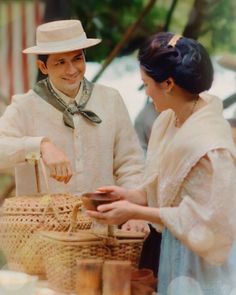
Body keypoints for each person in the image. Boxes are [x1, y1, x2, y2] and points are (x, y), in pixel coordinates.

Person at [88, 32, 236, 294]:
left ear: (168, 83)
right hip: (176, 246)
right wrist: (130, 196)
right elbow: (167, 190)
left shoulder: (209, 140)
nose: (145, 92)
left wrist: (134, 213)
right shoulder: (170, 120)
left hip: (204, 259)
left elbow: (212, 219)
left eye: (146, 84)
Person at [0, 19, 144, 197]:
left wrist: (132, 211)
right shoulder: (24, 106)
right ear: (43, 67)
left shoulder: (110, 99)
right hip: (43, 223)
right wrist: (40, 146)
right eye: (60, 62)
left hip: (101, 221)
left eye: (77, 59)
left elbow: (131, 163)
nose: (71, 70)